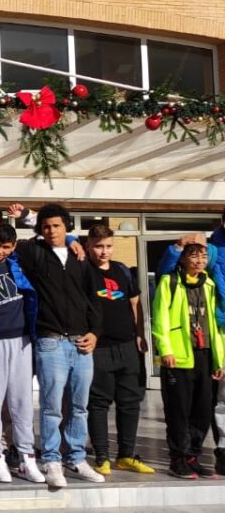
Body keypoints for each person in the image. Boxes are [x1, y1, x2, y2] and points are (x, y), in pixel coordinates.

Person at [13, 203, 102, 487]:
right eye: (47, 226)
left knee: (80, 406)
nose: (52, 231)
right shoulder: (34, 253)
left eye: (57, 226)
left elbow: (93, 297)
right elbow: (21, 244)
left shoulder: (81, 258)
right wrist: (29, 217)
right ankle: (51, 460)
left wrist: (95, 333)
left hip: (81, 342)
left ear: (67, 227)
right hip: (51, 341)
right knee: (51, 407)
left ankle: (76, 458)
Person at [0, 223, 44, 484]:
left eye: (5, 247)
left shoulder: (20, 261)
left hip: (22, 340)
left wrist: (74, 241)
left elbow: (52, 238)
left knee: (23, 402)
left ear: (13, 246)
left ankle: (26, 456)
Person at [85, 225, 153, 476]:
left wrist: (139, 335)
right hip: (99, 347)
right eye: (99, 246)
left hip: (127, 346)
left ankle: (126, 455)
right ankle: (101, 456)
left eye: (109, 246)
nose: (104, 252)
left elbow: (135, 303)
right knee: (99, 403)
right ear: (89, 245)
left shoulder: (122, 270)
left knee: (129, 402)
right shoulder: (83, 271)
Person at [153, 242, 225, 479]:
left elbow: (214, 325)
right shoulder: (170, 282)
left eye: (203, 256)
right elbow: (160, 317)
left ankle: (193, 456)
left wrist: (219, 360)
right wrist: (165, 349)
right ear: (182, 259)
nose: (199, 260)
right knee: (178, 410)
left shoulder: (210, 284)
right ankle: (178, 459)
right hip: (179, 355)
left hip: (204, 354)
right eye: (194, 256)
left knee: (203, 410)